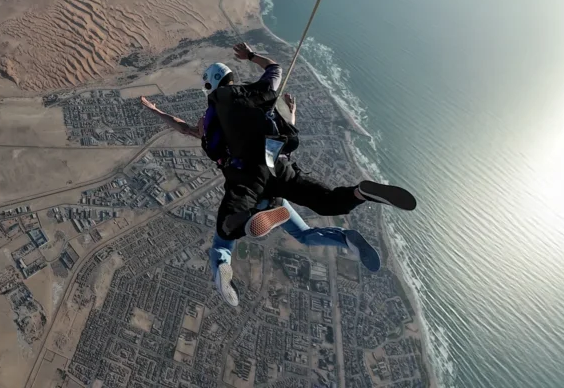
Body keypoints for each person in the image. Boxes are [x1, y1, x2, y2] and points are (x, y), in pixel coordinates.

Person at [141, 42, 416, 307]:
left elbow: (183, 127)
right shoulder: (253, 99)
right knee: (321, 212)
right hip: (277, 168)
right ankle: (357, 201)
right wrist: (251, 56)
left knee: (224, 235)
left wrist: (156, 112)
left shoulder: (212, 123)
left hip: (247, 181)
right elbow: (275, 70)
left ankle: (225, 264)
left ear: (210, 87)